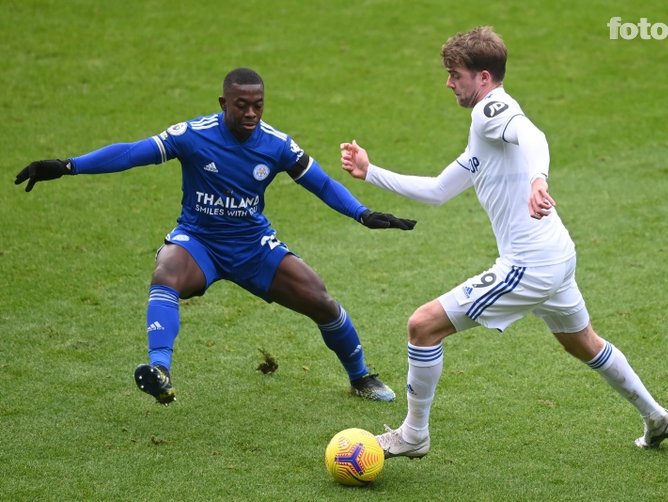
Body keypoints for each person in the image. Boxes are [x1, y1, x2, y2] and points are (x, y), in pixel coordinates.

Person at [340, 26, 668, 456]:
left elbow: (533, 135)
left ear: (483, 77)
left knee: (422, 327)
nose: (449, 82)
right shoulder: (482, 130)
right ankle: (656, 417)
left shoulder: (493, 109)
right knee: (584, 342)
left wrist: (539, 179)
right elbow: (439, 190)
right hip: (557, 255)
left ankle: (413, 436)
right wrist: (371, 172)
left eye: (455, 74)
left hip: (529, 265)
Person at [16, 67, 416, 405]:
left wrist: (362, 214)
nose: (251, 112)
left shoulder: (277, 145)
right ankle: (159, 370)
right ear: (223, 103)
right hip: (199, 242)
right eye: (241, 105)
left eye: (258, 105)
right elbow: (130, 154)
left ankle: (360, 376)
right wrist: (68, 166)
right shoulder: (193, 135)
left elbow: (322, 184)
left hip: (252, 246)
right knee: (166, 272)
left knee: (321, 300)